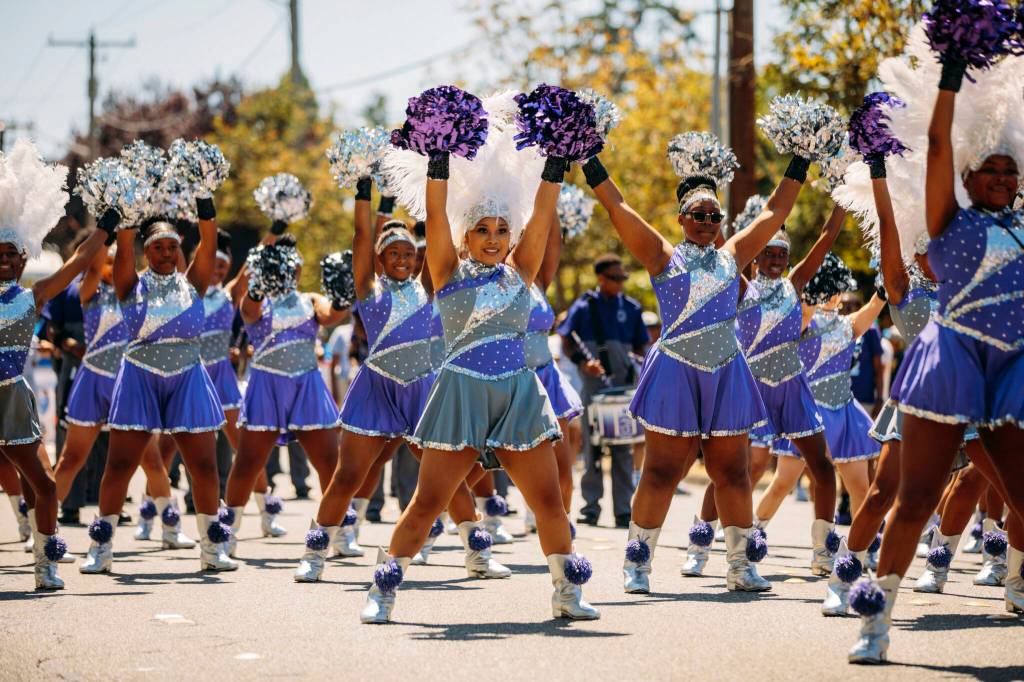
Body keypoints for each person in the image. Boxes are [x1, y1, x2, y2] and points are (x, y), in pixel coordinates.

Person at [359, 87, 597, 624]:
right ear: (464, 236)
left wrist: (556, 160)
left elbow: (543, 215)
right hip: (461, 393)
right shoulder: (445, 272)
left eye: (501, 230)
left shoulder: (522, 271)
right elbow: (435, 210)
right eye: (482, 230)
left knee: (549, 501)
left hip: (517, 395)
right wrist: (438, 156)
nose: (493, 238)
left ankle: (567, 592)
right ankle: (383, 590)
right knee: (427, 503)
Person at [845, 31, 1024, 664]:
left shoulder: (1022, 229)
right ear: (969, 176)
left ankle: (1016, 580)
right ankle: (875, 619)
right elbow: (940, 143)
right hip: (950, 362)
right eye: (989, 168)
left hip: (1011, 368)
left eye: (1010, 169)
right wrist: (952, 71)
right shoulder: (950, 219)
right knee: (914, 497)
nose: (1000, 177)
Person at [581, 126, 818, 595]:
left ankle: (740, 565)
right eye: (698, 215)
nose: (708, 221)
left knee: (733, 472)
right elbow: (618, 207)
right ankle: (638, 563)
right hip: (676, 371)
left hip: (726, 370)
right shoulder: (662, 256)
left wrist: (801, 158)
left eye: (714, 215)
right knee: (661, 472)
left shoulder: (734, 256)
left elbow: (775, 211)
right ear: (682, 219)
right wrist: (587, 157)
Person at [80, 173, 236, 575]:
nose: (166, 254)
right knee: (119, 466)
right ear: (146, 251)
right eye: (157, 248)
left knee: (204, 467)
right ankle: (101, 547)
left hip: (188, 377)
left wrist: (204, 195)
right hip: (139, 376)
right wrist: (127, 205)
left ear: (179, 250)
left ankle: (212, 548)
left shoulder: (194, 282)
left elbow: (209, 241)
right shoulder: (129, 284)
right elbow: (124, 246)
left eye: (172, 247)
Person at [0, 139, 114, 589]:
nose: (4, 260)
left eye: (10, 254)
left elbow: (80, 261)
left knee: (44, 486)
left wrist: (107, 225)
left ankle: (45, 566)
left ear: (22, 259)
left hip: (13, 398)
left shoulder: (34, 296)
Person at [52, 245, 194, 551]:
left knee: (152, 461)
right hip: (94, 379)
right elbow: (93, 268)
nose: (112, 266)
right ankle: (44, 530)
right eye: (108, 261)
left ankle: (171, 529)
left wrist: (168, 240)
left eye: (118, 262)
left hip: (128, 381)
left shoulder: (140, 296)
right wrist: (107, 232)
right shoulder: (91, 293)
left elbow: (175, 274)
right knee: (72, 457)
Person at [222, 230, 346, 558]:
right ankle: (226, 534)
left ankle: (339, 531)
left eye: (294, 268)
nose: (289, 273)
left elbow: (331, 315)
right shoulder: (258, 300)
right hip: (267, 387)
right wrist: (259, 283)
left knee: (329, 463)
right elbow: (248, 311)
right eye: (282, 267)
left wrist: (343, 295)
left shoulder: (311, 300)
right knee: (247, 463)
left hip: (307, 387)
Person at [559, 254, 648, 528]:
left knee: (623, 450)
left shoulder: (631, 309)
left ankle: (623, 510)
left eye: (623, 278)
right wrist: (583, 363)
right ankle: (590, 507)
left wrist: (634, 364)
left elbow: (641, 346)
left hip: (623, 390)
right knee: (592, 449)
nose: (619, 283)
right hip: (594, 390)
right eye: (614, 278)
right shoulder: (584, 306)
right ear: (600, 278)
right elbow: (566, 340)